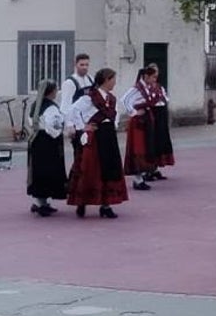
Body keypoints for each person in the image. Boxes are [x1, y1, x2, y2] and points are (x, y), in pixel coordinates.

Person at [67, 68, 128, 217]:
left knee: (109, 168)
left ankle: (106, 205)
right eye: (113, 79)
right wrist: (83, 126)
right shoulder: (90, 97)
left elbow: (116, 114)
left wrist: (113, 125)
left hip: (108, 136)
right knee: (90, 168)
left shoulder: (112, 98)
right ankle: (82, 202)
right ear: (106, 80)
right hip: (95, 136)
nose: (115, 82)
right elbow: (72, 111)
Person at [26, 80, 67, 216]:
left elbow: (31, 122)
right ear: (51, 91)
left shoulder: (35, 105)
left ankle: (41, 202)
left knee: (38, 170)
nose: (56, 92)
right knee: (48, 171)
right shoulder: (51, 107)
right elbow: (54, 127)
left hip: (37, 140)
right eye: (55, 90)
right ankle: (42, 204)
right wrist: (62, 127)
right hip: (49, 143)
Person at [121, 67, 159, 190]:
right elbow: (125, 100)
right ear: (146, 77)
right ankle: (137, 179)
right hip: (138, 122)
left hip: (146, 120)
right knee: (138, 149)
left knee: (145, 148)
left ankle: (141, 177)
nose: (154, 80)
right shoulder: (136, 89)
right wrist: (134, 112)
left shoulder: (147, 89)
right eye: (153, 77)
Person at [145, 63, 175, 178]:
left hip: (161, 114)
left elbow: (166, 99)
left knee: (160, 141)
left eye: (156, 71)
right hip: (152, 114)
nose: (155, 74)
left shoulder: (159, 87)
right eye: (153, 72)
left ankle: (155, 167)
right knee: (151, 142)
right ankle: (148, 169)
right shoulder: (144, 87)